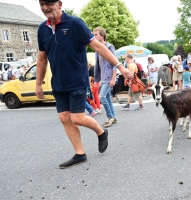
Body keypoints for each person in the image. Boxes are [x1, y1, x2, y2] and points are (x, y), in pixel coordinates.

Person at [36, 0, 132, 169]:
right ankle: (79, 153)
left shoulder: (75, 24)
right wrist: (38, 83)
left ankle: (101, 132)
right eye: (42, 4)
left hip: (77, 81)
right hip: (58, 82)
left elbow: (99, 47)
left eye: (48, 3)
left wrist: (120, 66)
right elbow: (42, 59)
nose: (45, 8)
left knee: (77, 117)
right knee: (64, 117)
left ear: (59, 4)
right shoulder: (42, 30)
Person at [93, 27, 118, 127]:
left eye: (96, 35)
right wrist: (96, 79)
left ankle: (110, 117)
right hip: (103, 77)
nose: (94, 36)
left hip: (108, 77)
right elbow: (97, 65)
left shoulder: (109, 47)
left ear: (102, 36)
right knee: (107, 98)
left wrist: (113, 78)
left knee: (102, 97)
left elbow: (115, 63)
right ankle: (114, 117)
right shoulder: (97, 48)